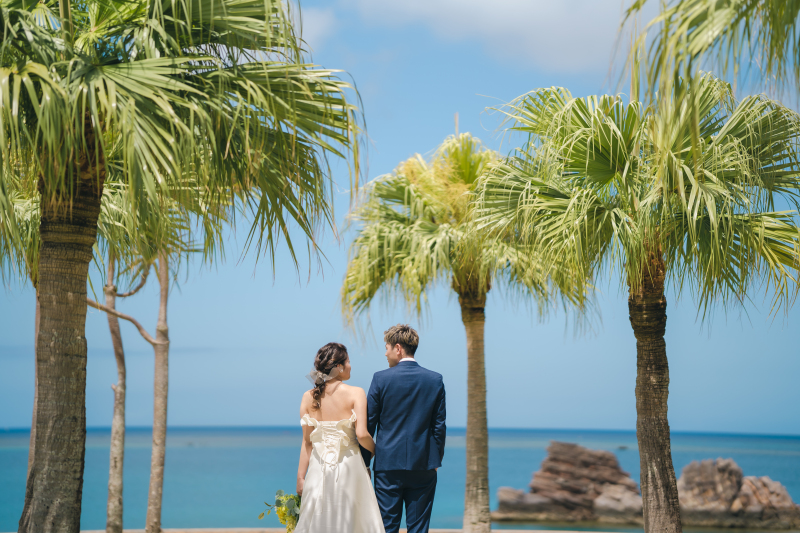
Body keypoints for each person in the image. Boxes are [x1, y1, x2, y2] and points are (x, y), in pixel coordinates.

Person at [294, 342, 385, 533]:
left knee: (318, 520)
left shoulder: (307, 397)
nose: (351, 366)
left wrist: (301, 477)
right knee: (353, 522)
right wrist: (376, 451)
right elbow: (362, 435)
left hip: (318, 470)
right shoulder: (356, 393)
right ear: (339, 367)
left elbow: (307, 442)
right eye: (349, 361)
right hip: (349, 467)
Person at [364, 324, 447, 533]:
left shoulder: (380, 378)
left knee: (386, 526)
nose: (385, 353)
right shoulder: (435, 380)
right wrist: (436, 460)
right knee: (419, 528)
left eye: (387, 348)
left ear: (398, 348)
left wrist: (365, 462)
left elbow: (369, 424)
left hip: (387, 465)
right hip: (424, 464)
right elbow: (439, 425)